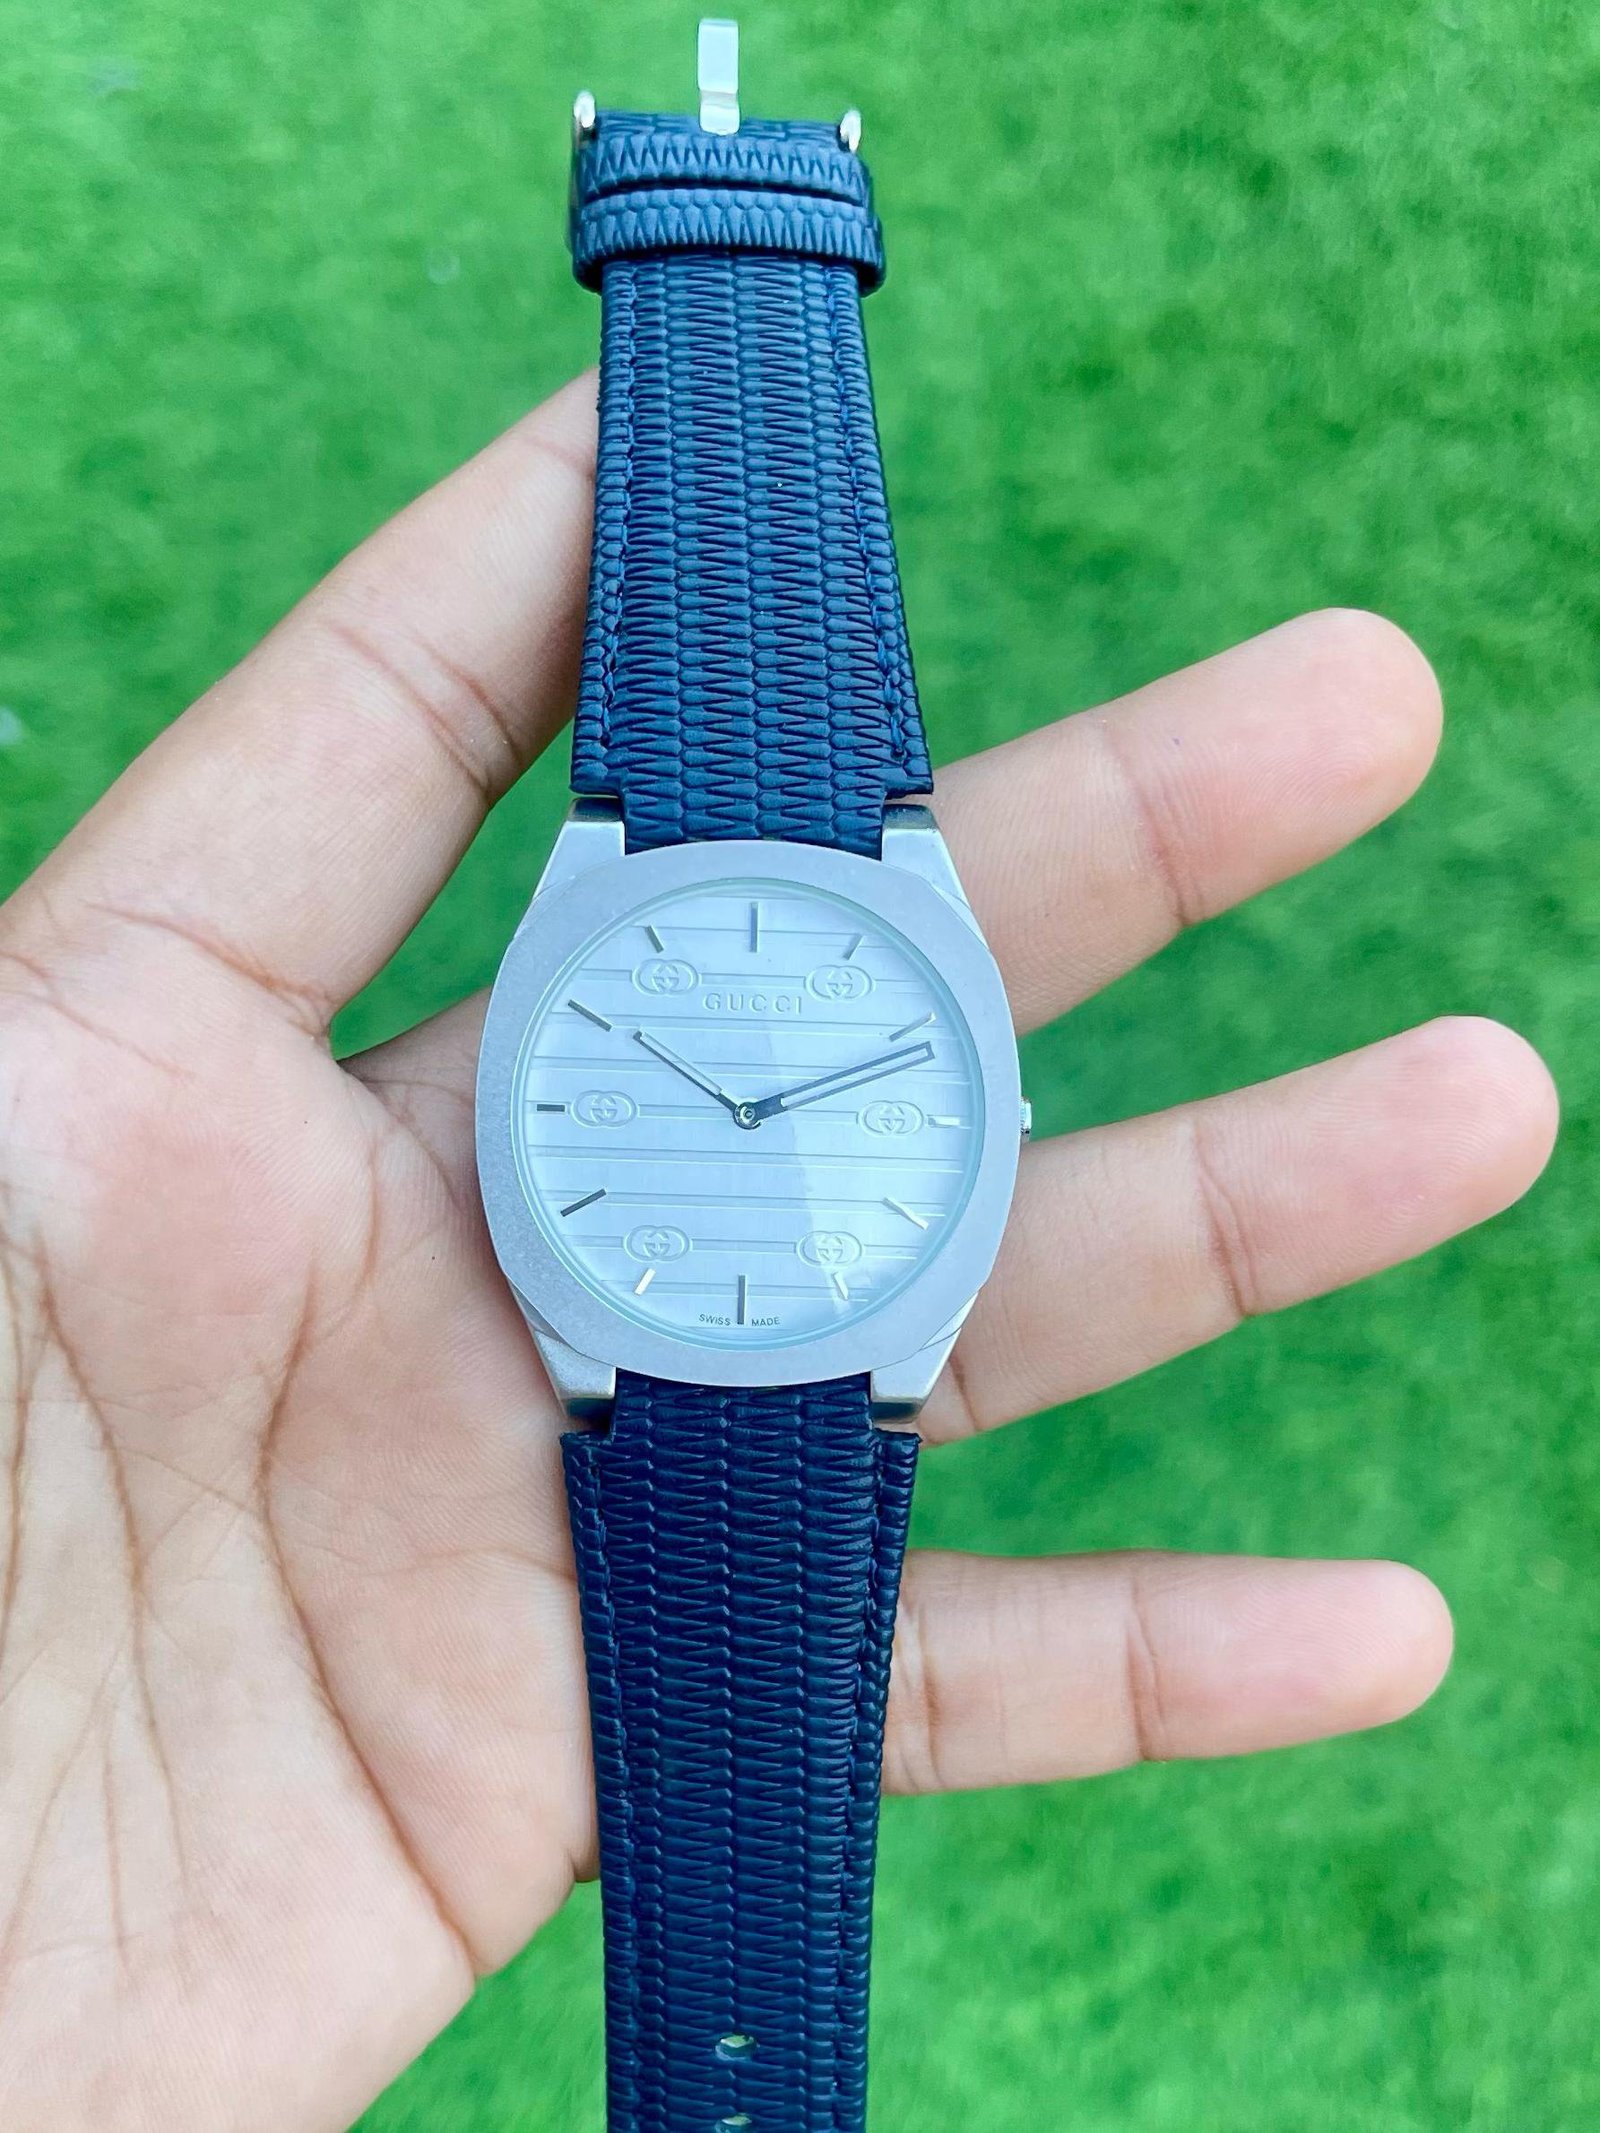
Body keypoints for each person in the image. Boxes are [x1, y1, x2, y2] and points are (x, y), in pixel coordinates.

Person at [0, 376, 1557, 2130]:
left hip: (737, 1340)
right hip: (683, 1344)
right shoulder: (681, 896)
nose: (749, 1111)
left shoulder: (685, 894)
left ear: (984, 1120)